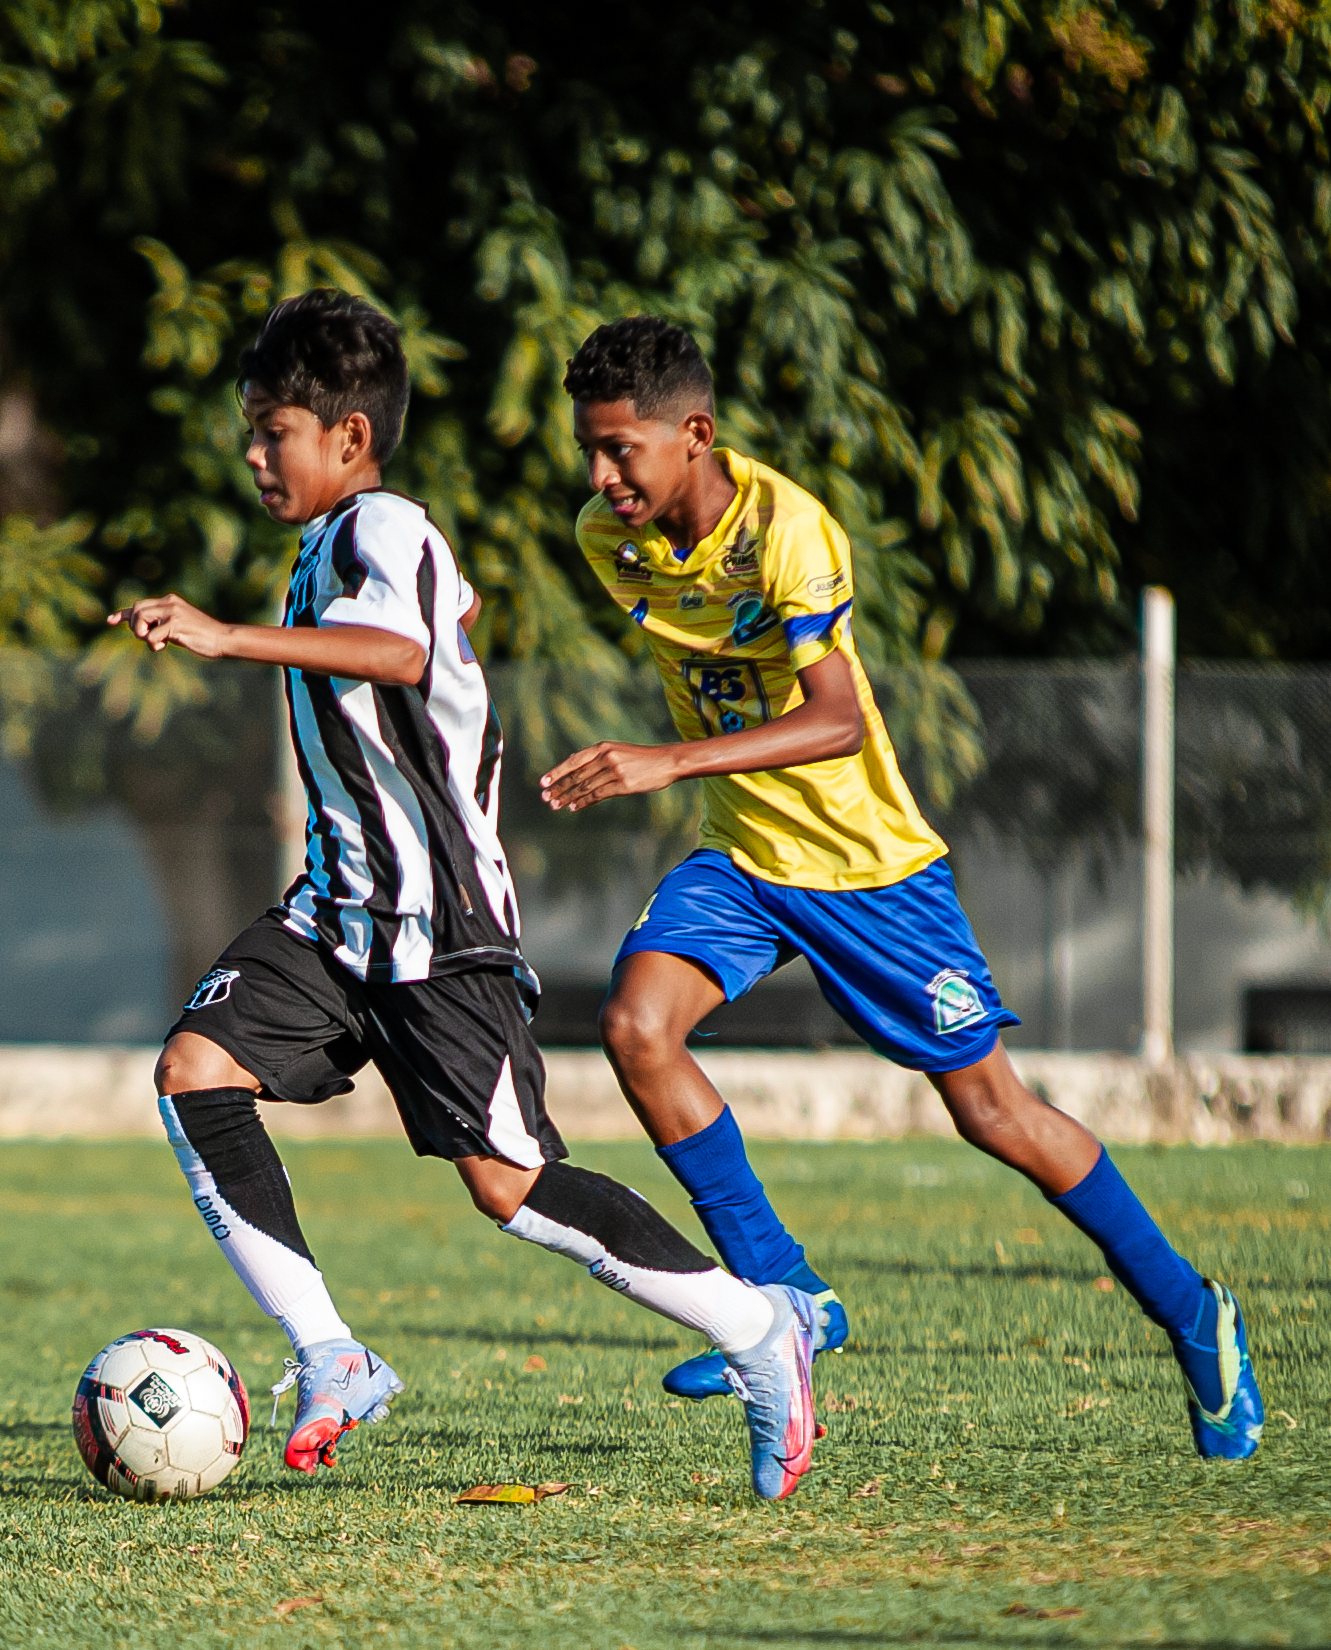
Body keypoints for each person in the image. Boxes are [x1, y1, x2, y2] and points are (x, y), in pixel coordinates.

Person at [110, 290, 819, 1499]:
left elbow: (399, 650)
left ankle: (759, 1329)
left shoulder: (384, 524)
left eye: (273, 431)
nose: (255, 455)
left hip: (438, 925)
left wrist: (226, 637)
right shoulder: (333, 543)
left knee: (512, 1186)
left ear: (349, 436)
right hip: (337, 912)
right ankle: (332, 1355)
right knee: (194, 1069)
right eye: (250, 431)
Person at [540, 315, 1263, 1461]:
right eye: (589, 449)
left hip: (870, 867)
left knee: (994, 1114)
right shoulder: (607, 539)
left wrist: (666, 761)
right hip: (743, 856)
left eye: (620, 450)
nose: (599, 477)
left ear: (696, 434)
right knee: (636, 1026)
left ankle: (1193, 1313)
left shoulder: (789, 531)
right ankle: (788, 1296)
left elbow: (835, 720)